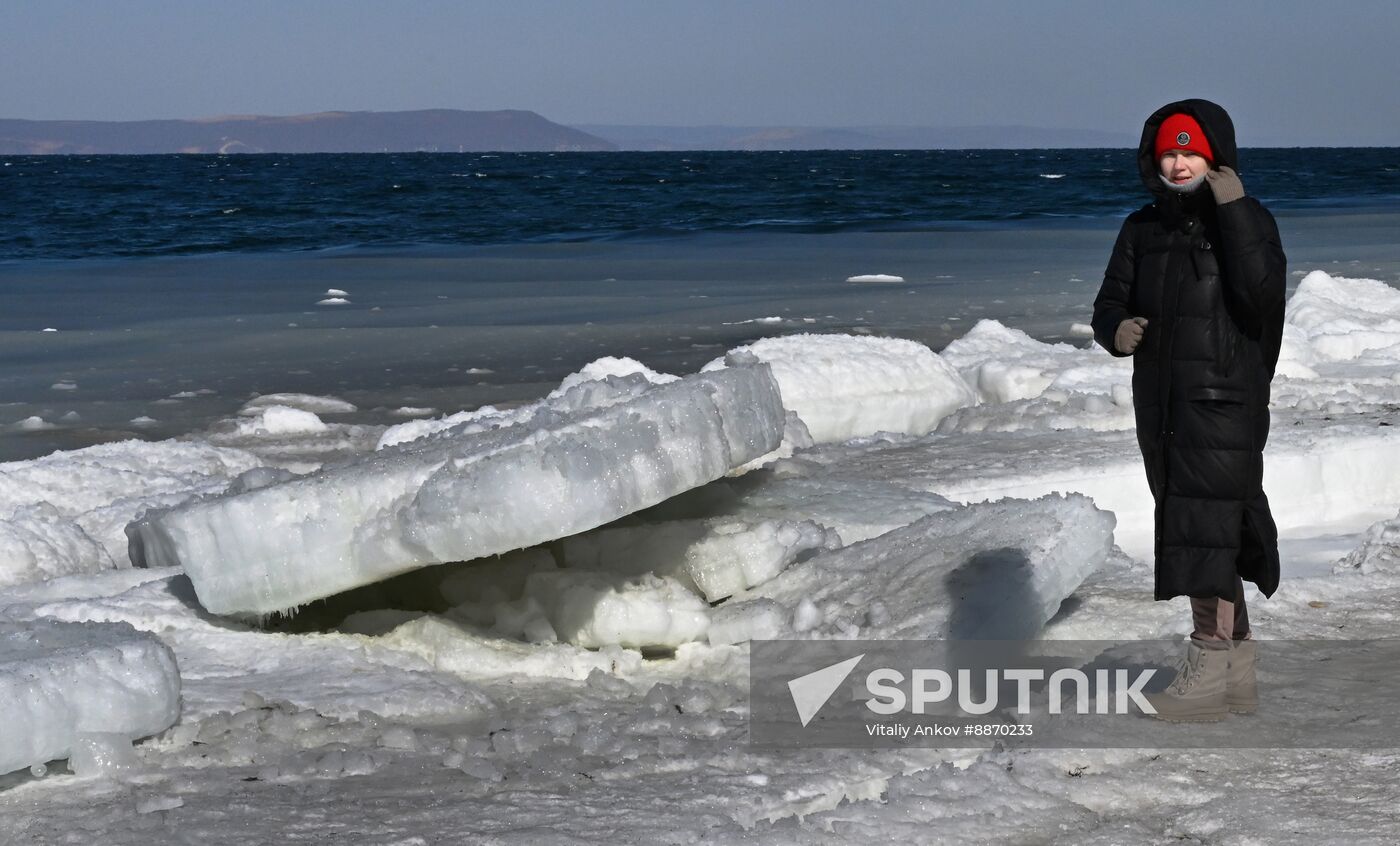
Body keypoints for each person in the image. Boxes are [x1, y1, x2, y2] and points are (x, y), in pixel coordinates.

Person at [1090, 99, 1287, 722]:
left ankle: (1209, 663)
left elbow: (1260, 300)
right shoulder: (1141, 229)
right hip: (1163, 405)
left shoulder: (1248, 220)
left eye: (1191, 152)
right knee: (1202, 532)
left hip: (1225, 402)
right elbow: (1108, 303)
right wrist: (1116, 329)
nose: (1178, 164)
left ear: (1216, 157)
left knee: (1209, 533)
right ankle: (1237, 675)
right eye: (1169, 152)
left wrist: (1233, 211)